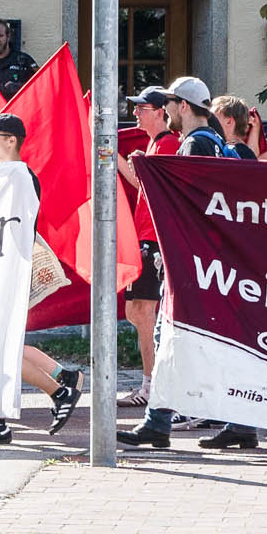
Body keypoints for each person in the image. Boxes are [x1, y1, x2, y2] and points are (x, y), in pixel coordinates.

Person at [0, 114, 84, 445]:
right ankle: (54, 385)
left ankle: (58, 392)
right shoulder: (10, 175)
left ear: (10, 140)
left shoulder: (18, 177)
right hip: (2, 270)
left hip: (6, 272)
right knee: (3, 347)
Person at [120, 78, 228, 449]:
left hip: (187, 253)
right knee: (190, 337)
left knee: (172, 335)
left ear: (183, 105)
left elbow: (183, 201)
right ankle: (168, 420)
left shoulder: (193, 144)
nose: (165, 111)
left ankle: (160, 421)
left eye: (168, 104)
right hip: (201, 252)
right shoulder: (212, 143)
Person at [114, 86, 177, 407]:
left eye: (141, 108)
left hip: (153, 238)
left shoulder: (168, 144)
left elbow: (154, 188)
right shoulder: (155, 144)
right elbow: (140, 184)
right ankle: (153, 383)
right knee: (136, 311)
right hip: (145, 236)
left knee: (143, 311)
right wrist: (119, 157)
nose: (135, 113)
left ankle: (153, 386)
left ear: (159, 111)